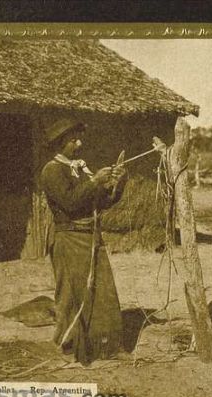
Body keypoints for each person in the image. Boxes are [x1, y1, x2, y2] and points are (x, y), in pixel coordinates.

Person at [39, 118, 127, 366]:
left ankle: (107, 346)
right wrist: (95, 181)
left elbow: (100, 203)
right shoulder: (52, 171)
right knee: (71, 294)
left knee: (102, 291)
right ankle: (71, 344)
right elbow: (70, 202)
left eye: (78, 138)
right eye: (74, 140)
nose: (79, 143)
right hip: (68, 239)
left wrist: (117, 184)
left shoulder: (77, 170)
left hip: (89, 237)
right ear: (62, 144)